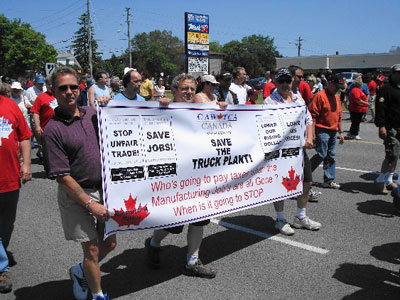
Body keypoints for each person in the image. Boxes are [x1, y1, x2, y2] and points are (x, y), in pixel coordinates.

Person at [43, 66, 116, 300]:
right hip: (76, 194)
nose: (69, 92)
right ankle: (97, 294)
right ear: (52, 90)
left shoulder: (93, 113)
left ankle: (80, 271)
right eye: (62, 88)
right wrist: (89, 204)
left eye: (73, 86)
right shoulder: (52, 130)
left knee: (111, 243)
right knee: (92, 249)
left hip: (103, 190)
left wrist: (108, 105)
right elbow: (62, 176)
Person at [145, 74, 225, 279]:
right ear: (174, 91)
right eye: (184, 89)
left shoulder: (204, 110)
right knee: (173, 225)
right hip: (175, 180)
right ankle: (154, 243)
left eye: (192, 88)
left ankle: (191, 261)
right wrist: (160, 106)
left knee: (199, 219)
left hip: (200, 177)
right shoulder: (165, 109)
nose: (189, 92)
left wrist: (222, 111)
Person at [264, 67, 321, 235]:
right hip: (281, 151)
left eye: (287, 80)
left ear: (292, 81)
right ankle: (280, 219)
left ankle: (300, 217)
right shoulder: (269, 101)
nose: (284, 84)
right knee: (280, 186)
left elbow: (308, 119)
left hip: (299, 150)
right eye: (280, 81)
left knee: (307, 182)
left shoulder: (298, 98)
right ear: (275, 82)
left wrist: (309, 137)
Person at [0, 92, 32, 293]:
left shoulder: (11, 106)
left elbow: (25, 136)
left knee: (6, 223)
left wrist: (27, 163)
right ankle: (2, 267)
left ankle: (2, 251)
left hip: (9, 178)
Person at [309, 74, 345, 189]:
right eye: (335, 86)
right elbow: (312, 116)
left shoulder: (337, 98)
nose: (337, 89)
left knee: (331, 156)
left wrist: (341, 132)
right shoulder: (319, 96)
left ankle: (329, 180)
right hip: (321, 130)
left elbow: (339, 116)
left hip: (333, 131)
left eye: (339, 88)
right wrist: (312, 133)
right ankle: (305, 175)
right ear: (330, 83)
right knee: (321, 154)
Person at [374, 64, 400, 195]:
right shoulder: (385, 89)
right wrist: (381, 125)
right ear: (392, 74)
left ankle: (389, 179)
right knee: (391, 154)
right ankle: (380, 180)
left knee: (396, 156)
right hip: (390, 128)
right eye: (397, 73)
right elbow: (380, 109)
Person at [30, 76, 57, 162]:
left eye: (53, 84)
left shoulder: (60, 95)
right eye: (49, 85)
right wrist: (37, 126)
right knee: (48, 151)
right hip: (46, 129)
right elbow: (35, 112)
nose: (51, 87)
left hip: (59, 128)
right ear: (46, 85)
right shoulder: (41, 97)